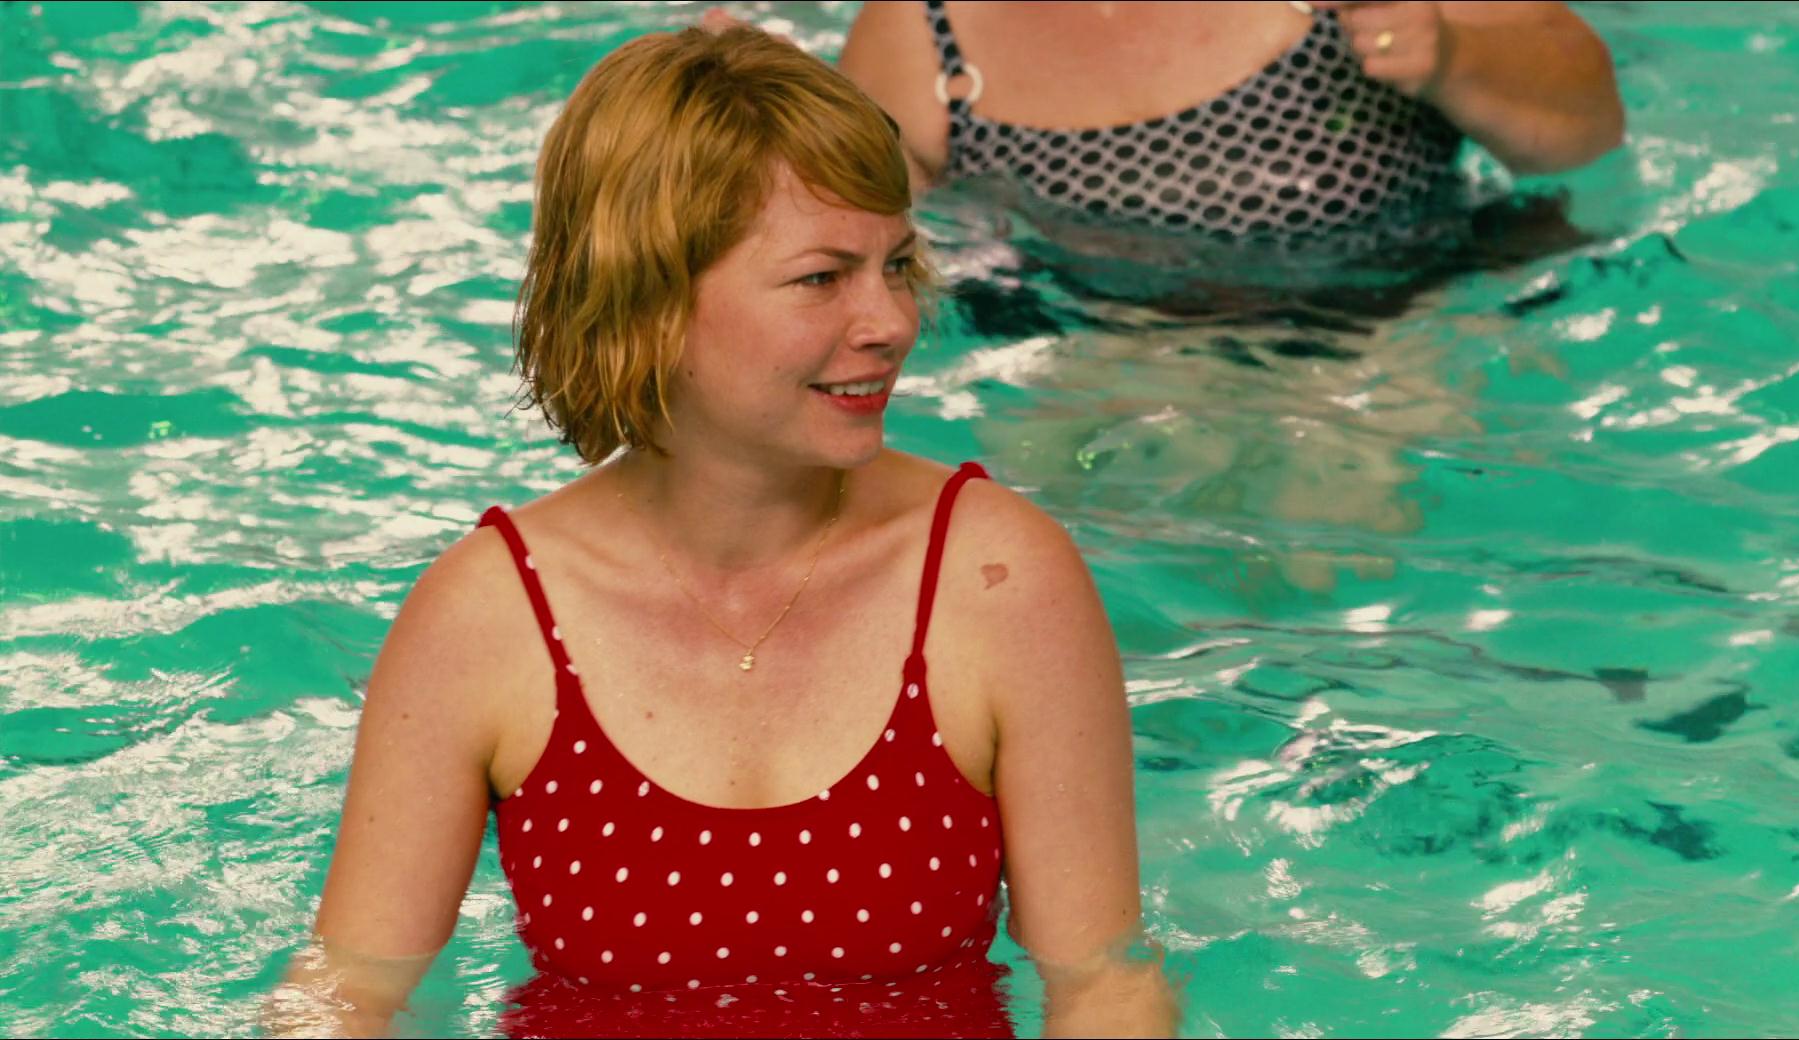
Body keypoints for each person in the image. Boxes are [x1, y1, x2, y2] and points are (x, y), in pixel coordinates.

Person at [272, 24, 1174, 1039]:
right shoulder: (490, 615)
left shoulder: (996, 579)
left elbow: (1105, 983)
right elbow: (348, 989)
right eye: (822, 278)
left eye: (896, 265)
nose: (892, 322)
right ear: (651, 301)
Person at [827, 0, 1624, 243]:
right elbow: (872, 270)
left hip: (1406, 336)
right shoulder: (917, 34)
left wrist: (1452, 55)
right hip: (1104, 379)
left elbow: (1591, 126)